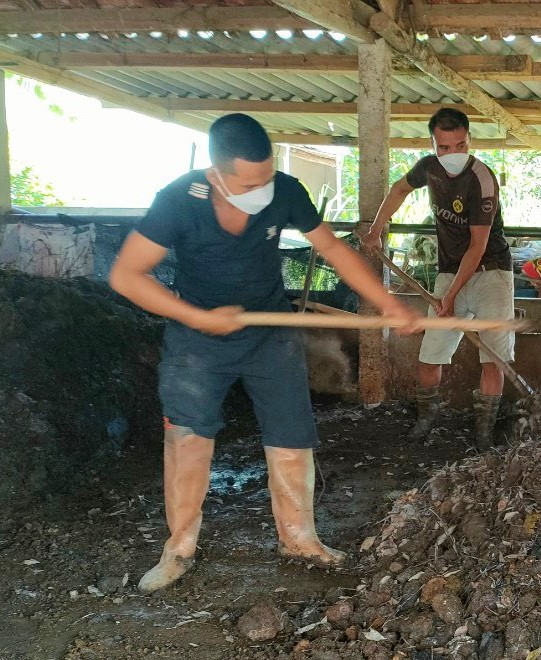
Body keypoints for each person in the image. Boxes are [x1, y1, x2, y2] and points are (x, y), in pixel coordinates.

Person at [110, 113, 416, 593]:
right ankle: (179, 549)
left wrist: (387, 302)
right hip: (197, 342)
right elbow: (127, 275)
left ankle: (299, 539)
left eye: (268, 176)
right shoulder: (177, 200)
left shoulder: (287, 191)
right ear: (216, 175)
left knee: (291, 435)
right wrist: (196, 317)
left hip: (270, 332)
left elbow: (334, 250)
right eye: (251, 182)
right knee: (189, 439)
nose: (264, 190)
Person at [362, 108, 514, 450]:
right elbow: (399, 190)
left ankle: (483, 434)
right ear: (433, 144)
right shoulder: (428, 169)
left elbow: (477, 248)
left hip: (491, 272)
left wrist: (451, 297)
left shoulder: (482, 179)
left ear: (469, 140)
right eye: (444, 147)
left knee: (493, 357)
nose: (452, 154)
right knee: (430, 356)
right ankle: (426, 417)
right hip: (449, 272)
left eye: (460, 144)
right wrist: (375, 230)